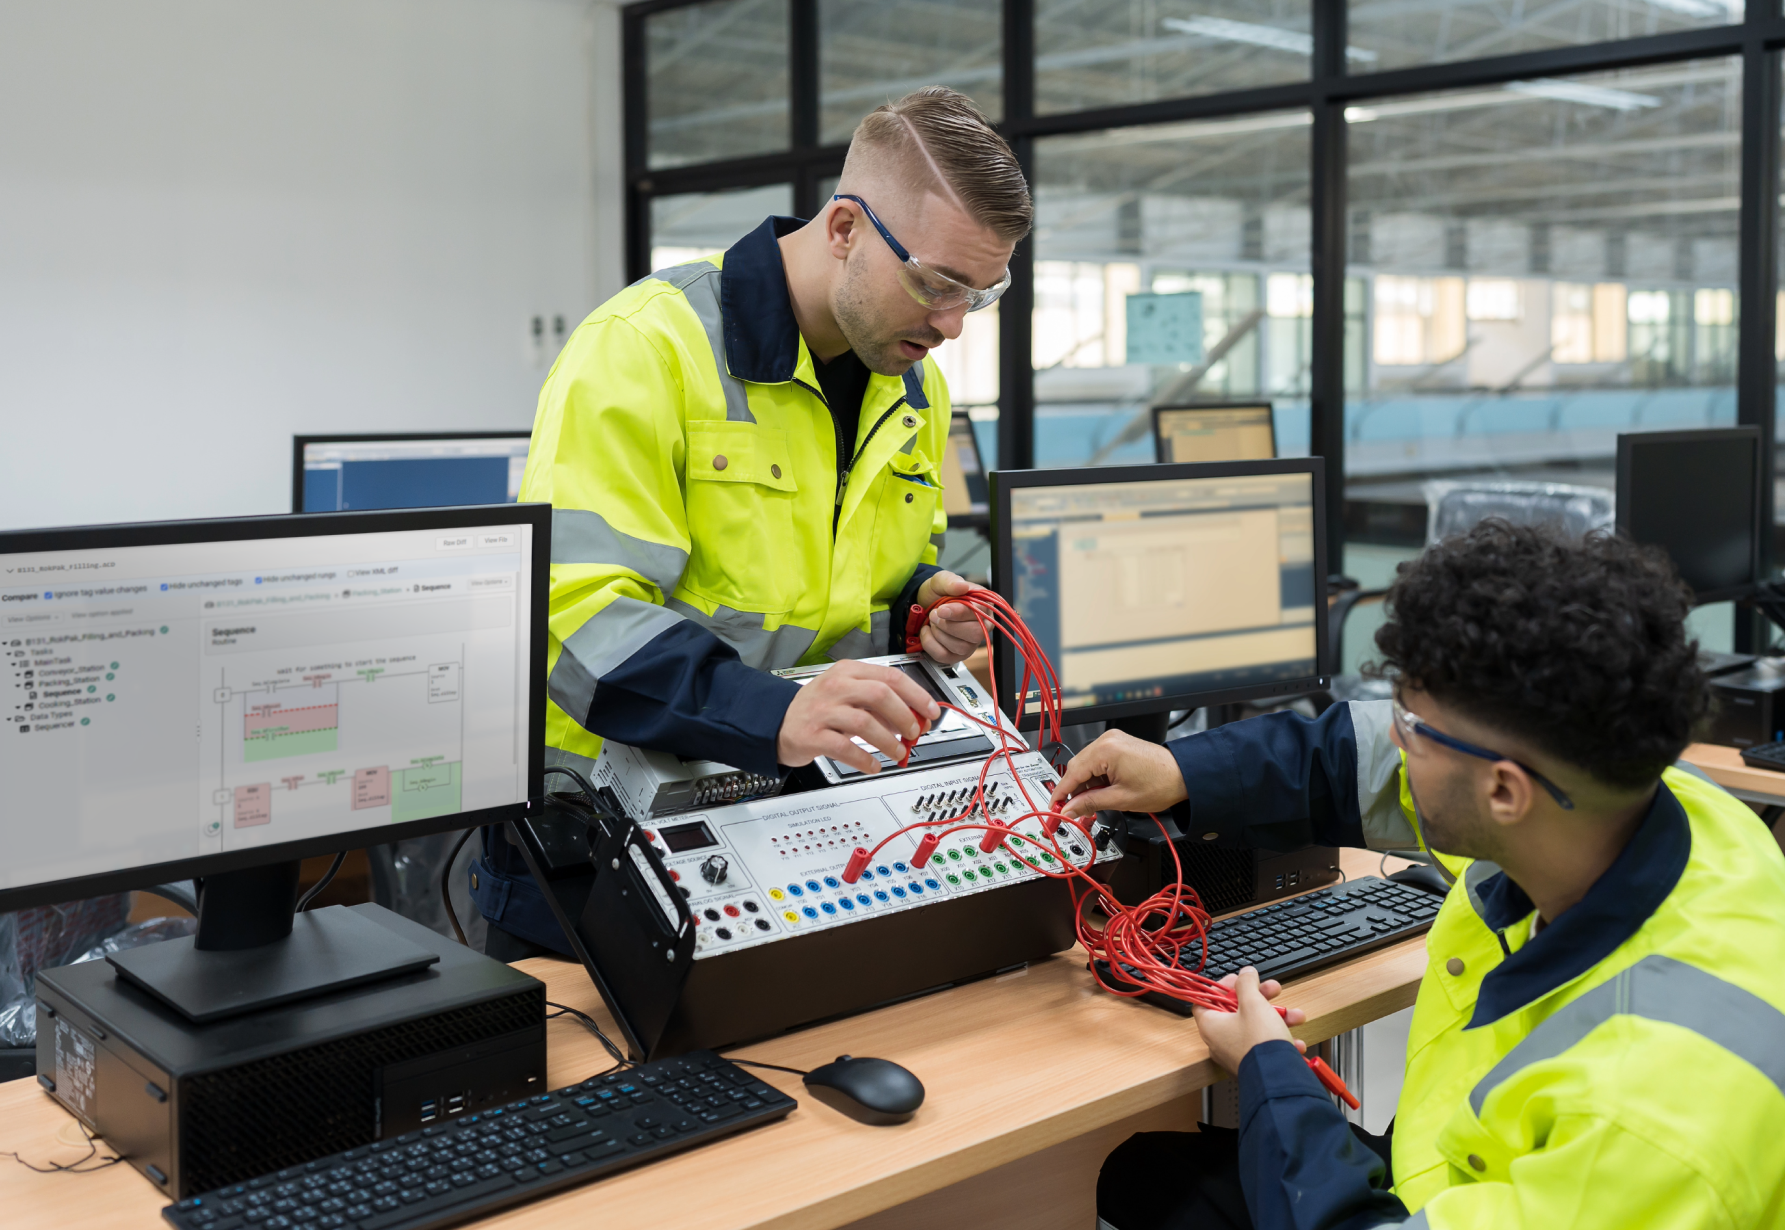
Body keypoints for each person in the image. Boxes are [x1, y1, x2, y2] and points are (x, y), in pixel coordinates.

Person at [1049, 521, 1785, 1230]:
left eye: (1412, 726)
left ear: (1503, 792)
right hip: (1466, 1168)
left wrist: (1269, 1068)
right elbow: (1354, 757)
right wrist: (1183, 769)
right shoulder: (1636, 803)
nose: (1393, 737)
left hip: (1508, 1192)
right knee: (1150, 1176)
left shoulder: (1642, 1120)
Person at [468, 86, 1032, 959]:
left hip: (794, 828)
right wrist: (773, 712)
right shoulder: (646, 346)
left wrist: (922, 609)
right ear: (844, 228)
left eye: (980, 294)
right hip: (600, 852)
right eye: (936, 283)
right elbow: (576, 619)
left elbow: (852, 591)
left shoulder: (913, 385)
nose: (953, 324)